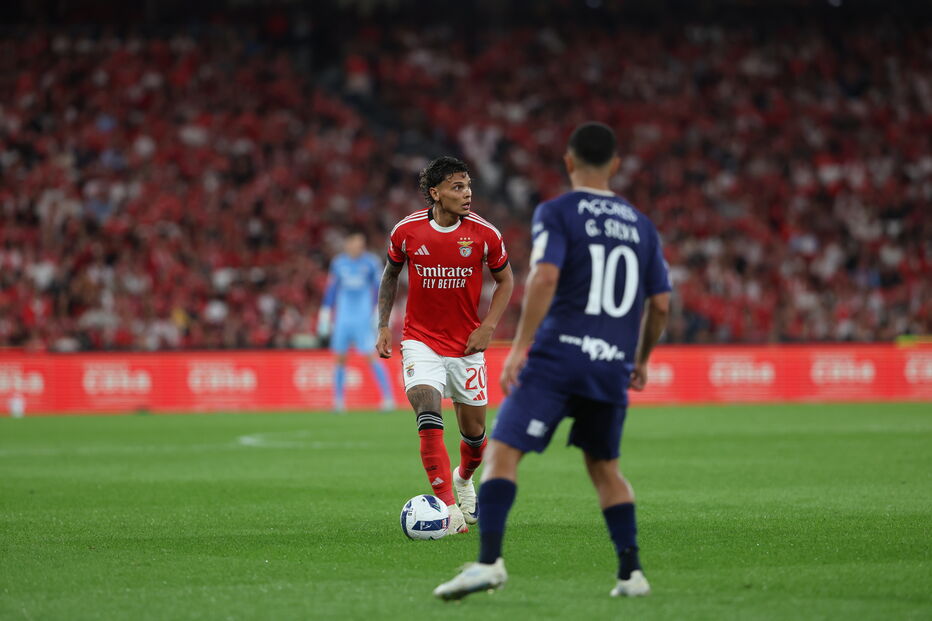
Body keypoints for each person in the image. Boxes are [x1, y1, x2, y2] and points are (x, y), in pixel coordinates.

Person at [434, 122, 672, 599]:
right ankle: (631, 574)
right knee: (606, 468)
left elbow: (544, 277)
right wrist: (641, 360)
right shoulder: (642, 225)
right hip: (611, 364)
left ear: (568, 162)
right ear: (616, 165)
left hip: (560, 356)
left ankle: (488, 563)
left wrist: (519, 347)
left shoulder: (559, 211)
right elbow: (661, 304)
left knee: (502, 450)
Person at [376, 156, 515, 535]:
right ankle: (449, 510)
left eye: (468, 186)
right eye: (457, 187)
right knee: (427, 410)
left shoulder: (486, 234)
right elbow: (391, 274)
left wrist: (488, 327)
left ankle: (464, 480)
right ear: (435, 193)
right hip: (420, 341)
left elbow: (507, 282)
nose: (467, 193)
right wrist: (383, 326)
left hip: (467, 347)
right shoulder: (407, 231)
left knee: (475, 438)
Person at [317, 231, 396, 412]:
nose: (358, 247)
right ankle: (338, 401)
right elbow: (332, 289)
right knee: (339, 359)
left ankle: (388, 398)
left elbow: (380, 288)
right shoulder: (338, 263)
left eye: (361, 243)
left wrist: (378, 313)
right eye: (355, 243)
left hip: (362, 319)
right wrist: (325, 313)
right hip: (343, 319)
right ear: (348, 244)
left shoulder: (370, 263)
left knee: (371, 356)